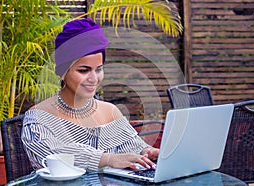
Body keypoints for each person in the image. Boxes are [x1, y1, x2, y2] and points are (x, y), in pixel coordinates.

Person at [21, 18, 159, 172]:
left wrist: (147, 152)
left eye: (98, 69)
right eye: (83, 70)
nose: (94, 79)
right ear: (62, 72)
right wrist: (108, 159)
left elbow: (132, 145)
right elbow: (53, 155)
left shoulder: (110, 111)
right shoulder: (38, 118)